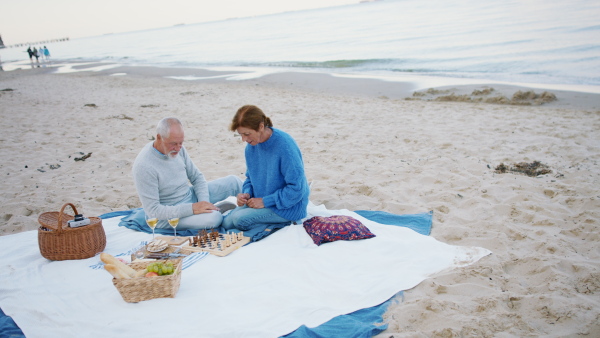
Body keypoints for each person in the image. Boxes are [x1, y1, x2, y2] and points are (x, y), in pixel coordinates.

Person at [132, 117, 242, 231]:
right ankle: (218, 212)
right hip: (168, 216)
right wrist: (193, 208)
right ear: (159, 137)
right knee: (213, 218)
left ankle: (256, 211)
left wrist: (204, 203)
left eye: (181, 143)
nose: (178, 148)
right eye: (174, 144)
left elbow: (197, 177)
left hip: (189, 196)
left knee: (234, 181)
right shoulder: (144, 166)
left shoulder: (179, 149)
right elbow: (154, 211)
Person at [222, 105, 310, 232]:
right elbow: (250, 178)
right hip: (261, 202)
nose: (244, 139)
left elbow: (297, 189)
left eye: (247, 134)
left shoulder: (285, 146)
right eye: (241, 135)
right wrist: (247, 193)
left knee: (239, 220)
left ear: (261, 126)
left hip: (288, 207)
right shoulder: (251, 147)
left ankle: (282, 225)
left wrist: (265, 201)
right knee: (226, 223)